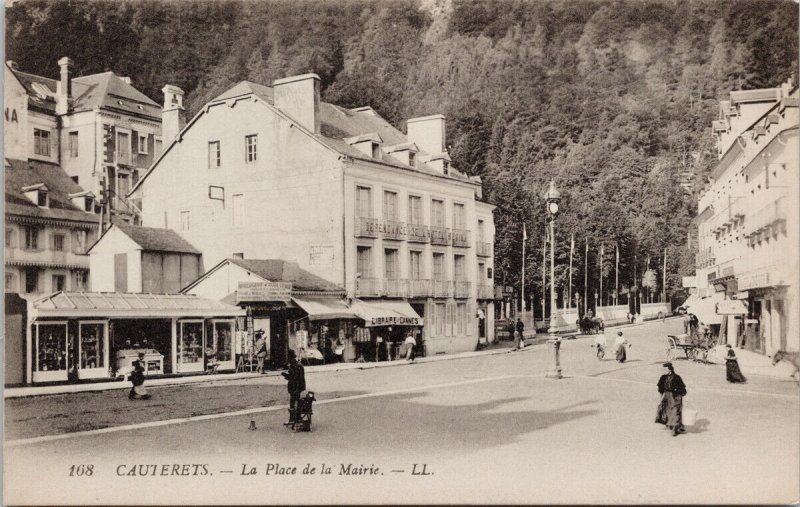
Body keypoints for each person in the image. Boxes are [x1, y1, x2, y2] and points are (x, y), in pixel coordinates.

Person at [656, 362, 687, 437]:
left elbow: (682, 387)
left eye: (664, 369)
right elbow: (660, 386)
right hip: (666, 395)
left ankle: (674, 429)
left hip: (675, 396)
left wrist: (679, 394)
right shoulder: (663, 377)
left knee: (675, 411)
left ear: (669, 369)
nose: (662, 370)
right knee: (666, 411)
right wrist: (661, 395)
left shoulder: (677, 377)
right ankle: (676, 425)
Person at [282, 350, 306, 425]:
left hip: (294, 386)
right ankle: (298, 418)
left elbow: (293, 377)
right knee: (297, 401)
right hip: (299, 386)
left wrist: (284, 375)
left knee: (292, 403)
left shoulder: (293, 364)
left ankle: (292, 419)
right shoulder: (298, 364)